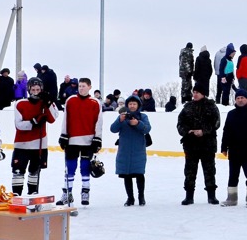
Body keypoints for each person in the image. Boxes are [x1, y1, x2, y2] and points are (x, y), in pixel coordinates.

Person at [58, 77, 102, 206]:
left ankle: (85, 191)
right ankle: (67, 193)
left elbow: (98, 122)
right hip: (72, 140)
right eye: (80, 86)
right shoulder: (70, 100)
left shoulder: (95, 102)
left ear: (89, 87)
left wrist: (98, 138)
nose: (81, 88)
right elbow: (65, 119)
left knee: (85, 167)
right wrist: (63, 135)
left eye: (84, 86)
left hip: (88, 141)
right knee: (70, 167)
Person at [11, 77, 57, 196]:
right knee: (18, 172)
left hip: (39, 145)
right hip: (22, 145)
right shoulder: (20, 103)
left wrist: (48, 104)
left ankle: (33, 195)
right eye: (33, 89)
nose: (36, 92)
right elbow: (19, 125)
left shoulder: (44, 102)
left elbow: (52, 119)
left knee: (34, 172)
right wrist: (34, 122)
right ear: (29, 90)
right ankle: (16, 195)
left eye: (38, 89)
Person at [177, 82, 221, 205]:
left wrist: (203, 131)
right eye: (194, 92)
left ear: (203, 94)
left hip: (207, 144)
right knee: (190, 171)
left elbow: (216, 123)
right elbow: (180, 124)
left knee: (210, 171)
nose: (195, 94)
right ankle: (189, 196)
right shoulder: (187, 107)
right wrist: (188, 131)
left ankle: (211, 196)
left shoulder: (211, 106)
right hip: (191, 144)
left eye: (198, 92)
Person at [220, 88, 247, 207]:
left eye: (242, 98)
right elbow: (226, 131)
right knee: (233, 175)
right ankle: (232, 199)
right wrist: (224, 147)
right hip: (233, 150)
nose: (240, 100)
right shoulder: (231, 114)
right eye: (237, 98)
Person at [110, 95, 151, 206]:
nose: (132, 106)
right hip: (125, 151)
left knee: (139, 174)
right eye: (130, 104)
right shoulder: (122, 117)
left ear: (138, 105)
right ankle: (130, 198)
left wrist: (138, 123)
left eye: (134, 104)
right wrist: (119, 120)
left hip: (138, 150)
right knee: (126, 175)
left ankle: (141, 197)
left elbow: (147, 129)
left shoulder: (143, 117)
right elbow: (113, 129)